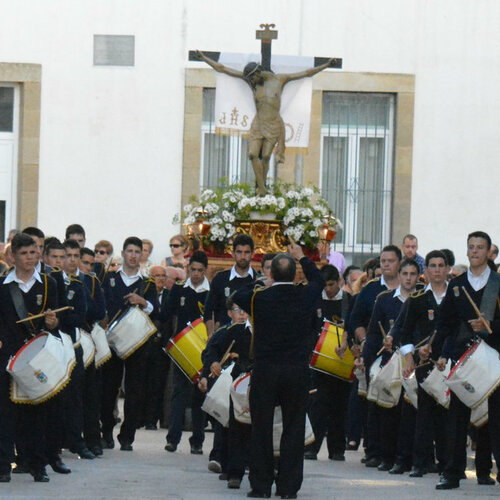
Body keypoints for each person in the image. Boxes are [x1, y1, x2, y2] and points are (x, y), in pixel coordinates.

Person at [234, 242, 324, 499]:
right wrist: (303, 258)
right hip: (296, 371)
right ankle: (288, 487)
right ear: (295, 274)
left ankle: (261, 486)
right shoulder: (306, 294)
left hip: (265, 371)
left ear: (271, 274)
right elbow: (318, 279)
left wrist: (261, 282)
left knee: (261, 427)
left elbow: (238, 294)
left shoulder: (259, 297)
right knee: (293, 428)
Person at [197, 50, 337, 195]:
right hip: (258, 123)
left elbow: (307, 73)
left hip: (274, 124)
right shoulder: (253, 84)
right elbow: (224, 69)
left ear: (258, 73)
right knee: (252, 154)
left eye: (252, 78)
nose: (251, 82)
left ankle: (261, 189)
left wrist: (326, 65)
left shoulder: (280, 80)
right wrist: (204, 59)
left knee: (265, 157)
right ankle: (262, 187)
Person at [422, 231, 500, 490]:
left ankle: (490, 469)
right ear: (466, 251)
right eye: (471, 247)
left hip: (493, 358)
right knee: (457, 417)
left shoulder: (498, 283)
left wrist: (491, 326)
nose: (475, 251)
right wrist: (442, 353)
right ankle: (452, 473)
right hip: (462, 359)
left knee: (496, 416)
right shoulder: (457, 285)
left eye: (480, 247)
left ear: (489, 252)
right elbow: (444, 324)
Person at [0, 233, 59, 482]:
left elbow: (56, 321)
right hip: (7, 356)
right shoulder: (2, 286)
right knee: (4, 413)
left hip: (37, 356)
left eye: (33, 253)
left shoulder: (48, 284)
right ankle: (3, 466)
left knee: (37, 412)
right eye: (23, 253)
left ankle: (38, 465)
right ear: (13, 256)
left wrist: (53, 322)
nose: (29, 258)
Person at [100, 236, 158, 451]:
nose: (133, 255)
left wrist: (143, 302)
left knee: (135, 390)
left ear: (142, 255)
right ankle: (106, 429)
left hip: (137, 343)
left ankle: (127, 436)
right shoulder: (109, 278)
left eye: (137, 252)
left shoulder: (148, 283)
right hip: (112, 343)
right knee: (108, 387)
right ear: (123, 253)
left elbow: (157, 311)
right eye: (130, 251)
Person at [362, 259, 419, 471]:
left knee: (410, 411)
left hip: (414, 361)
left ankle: (409, 457)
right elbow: (374, 332)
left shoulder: (422, 298)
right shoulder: (384, 299)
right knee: (387, 411)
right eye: (405, 273)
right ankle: (385, 456)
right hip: (389, 361)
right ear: (399, 274)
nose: (408, 278)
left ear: (418, 276)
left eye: (413, 274)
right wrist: (368, 359)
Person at [397, 250, 450, 477]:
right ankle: (420, 462)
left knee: (448, 416)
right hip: (425, 363)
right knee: (424, 414)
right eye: (433, 266)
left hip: (449, 362)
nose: (437, 270)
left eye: (441, 265)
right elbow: (404, 333)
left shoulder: (457, 296)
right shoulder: (417, 299)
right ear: (425, 270)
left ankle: (448, 463)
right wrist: (410, 356)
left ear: (447, 269)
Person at [198, 295, 252, 490]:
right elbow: (209, 352)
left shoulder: (255, 332)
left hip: (249, 381)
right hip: (228, 382)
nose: (242, 314)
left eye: (246, 310)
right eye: (238, 310)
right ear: (230, 313)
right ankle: (220, 458)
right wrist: (211, 366)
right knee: (224, 421)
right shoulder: (225, 332)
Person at [161, 251, 210, 454]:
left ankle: (197, 441)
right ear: (188, 269)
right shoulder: (179, 290)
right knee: (179, 394)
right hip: (182, 349)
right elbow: (166, 314)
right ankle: (173, 438)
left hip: (204, 350)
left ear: (205, 271)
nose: (196, 274)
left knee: (200, 396)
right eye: (193, 270)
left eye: (200, 270)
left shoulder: (210, 292)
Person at [305, 264, 350, 462]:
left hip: (342, 360)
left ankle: (337, 449)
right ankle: (312, 447)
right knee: (318, 405)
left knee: (340, 406)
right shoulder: (315, 300)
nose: (328, 289)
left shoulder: (349, 301)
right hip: (319, 361)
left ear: (339, 281)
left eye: (332, 284)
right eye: (325, 285)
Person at [204, 234, 257, 338]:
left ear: (252, 254)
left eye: (246, 252)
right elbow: (209, 310)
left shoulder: (258, 281)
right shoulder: (220, 279)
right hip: (224, 337)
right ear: (233, 254)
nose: (243, 256)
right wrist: (211, 334)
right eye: (239, 252)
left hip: (251, 339)